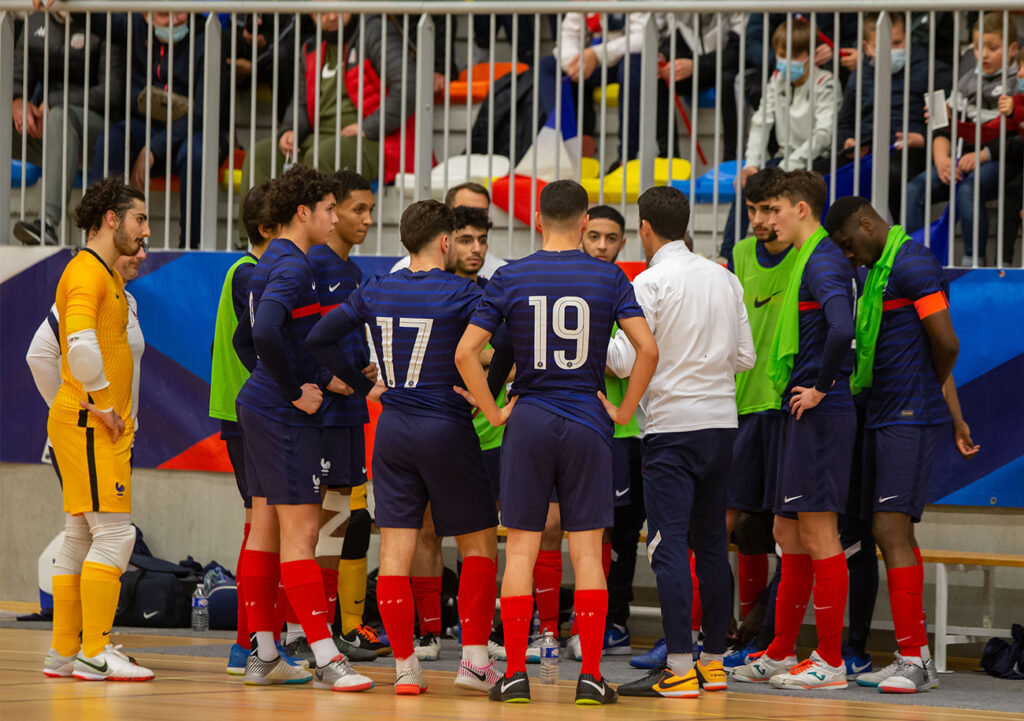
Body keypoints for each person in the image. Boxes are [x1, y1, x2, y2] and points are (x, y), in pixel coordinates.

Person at [455, 179, 659, 706]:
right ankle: (590, 677)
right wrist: (624, 409)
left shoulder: (510, 276)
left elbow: (465, 353)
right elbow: (648, 351)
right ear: (585, 217)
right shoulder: (609, 274)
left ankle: (517, 674)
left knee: (520, 550)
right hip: (590, 420)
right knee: (588, 552)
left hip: (529, 419)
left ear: (538, 220)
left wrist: (494, 409)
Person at [307, 200, 502, 696]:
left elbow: (318, 338)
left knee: (395, 550)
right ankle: (475, 663)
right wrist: (488, 395)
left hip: (392, 428)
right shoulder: (465, 291)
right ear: (444, 241)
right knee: (479, 544)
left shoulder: (374, 288)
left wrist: (362, 385)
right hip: (447, 425)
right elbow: (510, 341)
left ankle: (405, 667)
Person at [825, 196, 981, 693]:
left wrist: (926, 390)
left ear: (867, 224)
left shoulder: (912, 263)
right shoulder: (879, 269)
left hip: (907, 416)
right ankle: (916, 655)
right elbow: (918, 346)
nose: (848, 255)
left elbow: (948, 344)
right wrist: (951, 413)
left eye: (849, 244)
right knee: (886, 531)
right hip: (883, 413)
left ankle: (915, 658)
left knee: (891, 530)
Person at [604, 186, 753, 699]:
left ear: (645, 228)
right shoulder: (725, 277)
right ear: (686, 223)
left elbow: (624, 361)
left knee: (667, 549)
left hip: (672, 430)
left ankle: (681, 668)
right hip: (721, 425)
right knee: (711, 547)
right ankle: (713, 664)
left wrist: (597, 332)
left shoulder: (648, 282)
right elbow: (745, 358)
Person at [232, 164, 373, 692]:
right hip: (282, 414)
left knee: (267, 532)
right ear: (304, 212)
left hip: (264, 407)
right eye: (331, 209)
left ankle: (265, 654)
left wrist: (293, 379)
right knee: (302, 535)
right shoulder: (295, 267)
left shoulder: (275, 261)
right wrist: (293, 388)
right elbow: (264, 331)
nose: (336, 217)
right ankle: (325, 656)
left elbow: (247, 340)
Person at [732, 170, 856, 690]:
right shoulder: (807, 257)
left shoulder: (822, 258)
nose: (764, 220)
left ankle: (830, 660)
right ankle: (782, 650)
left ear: (800, 209)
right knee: (786, 531)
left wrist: (823, 386)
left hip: (819, 410)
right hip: (795, 409)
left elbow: (843, 327)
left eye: (774, 210)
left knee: (820, 533)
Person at [42, 177, 153, 681]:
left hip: (83, 418)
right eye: (140, 219)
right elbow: (80, 348)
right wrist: (105, 404)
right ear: (112, 219)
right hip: (91, 421)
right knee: (115, 534)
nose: (146, 231)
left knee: (80, 536)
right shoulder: (86, 273)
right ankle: (93, 652)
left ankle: (65, 652)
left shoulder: (102, 274)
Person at [210, 182, 303, 675]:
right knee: (262, 528)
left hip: (248, 410)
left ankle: (260, 641)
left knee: (264, 527)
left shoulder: (247, 271)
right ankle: (249, 642)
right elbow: (253, 343)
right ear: (270, 229)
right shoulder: (252, 274)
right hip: (254, 412)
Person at [291, 170, 382, 665]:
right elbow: (289, 341)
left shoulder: (354, 270)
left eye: (371, 209)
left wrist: (361, 371)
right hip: (320, 416)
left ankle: (343, 629)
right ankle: (312, 631)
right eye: (356, 210)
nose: (366, 219)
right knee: (320, 522)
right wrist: (329, 379)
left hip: (350, 413)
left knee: (351, 520)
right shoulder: (310, 265)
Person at [405, 204, 500, 663]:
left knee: (480, 534)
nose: (475, 249)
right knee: (426, 530)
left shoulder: (492, 293)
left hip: (489, 432)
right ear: (445, 241)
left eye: (482, 240)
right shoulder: (415, 289)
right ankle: (427, 631)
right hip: (436, 428)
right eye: (466, 239)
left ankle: (478, 632)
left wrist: (493, 393)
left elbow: (506, 354)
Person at [237, 12, 415, 245]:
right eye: (321, 10)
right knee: (260, 155)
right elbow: (300, 102)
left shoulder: (375, 32)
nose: (330, 16)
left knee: (319, 157)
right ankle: (253, 247)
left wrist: (368, 126)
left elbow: (409, 85)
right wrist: (290, 129)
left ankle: (308, 247)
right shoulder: (311, 46)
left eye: (336, 7)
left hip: (374, 140)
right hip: (319, 137)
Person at [724, 167, 794, 655]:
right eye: (752, 210)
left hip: (790, 408)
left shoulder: (811, 255)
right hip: (742, 406)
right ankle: (706, 631)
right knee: (728, 523)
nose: (759, 219)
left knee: (786, 529)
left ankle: (766, 627)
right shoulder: (741, 254)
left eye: (769, 209)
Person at [573, 204, 646, 659]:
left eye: (612, 238)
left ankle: (612, 622)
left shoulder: (630, 287)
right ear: (581, 235)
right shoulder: (570, 282)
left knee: (620, 530)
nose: (602, 246)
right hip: (580, 427)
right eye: (595, 236)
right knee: (587, 529)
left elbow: (632, 357)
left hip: (626, 429)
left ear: (625, 241)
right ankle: (586, 624)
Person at [92, 12, 225, 249]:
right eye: (164, 15)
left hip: (191, 131)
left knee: (197, 153)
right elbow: (97, 17)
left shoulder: (208, 32)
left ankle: (191, 248)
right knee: (111, 140)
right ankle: (101, 239)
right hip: (143, 127)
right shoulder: (134, 25)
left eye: (180, 11)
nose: (174, 21)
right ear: (146, 13)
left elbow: (204, 112)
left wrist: (153, 149)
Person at [905, 13, 1020, 266]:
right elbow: (943, 126)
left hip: (1001, 159)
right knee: (913, 190)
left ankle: (973, 264)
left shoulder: (1017, 83)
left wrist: (980, 155)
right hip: (961, 159)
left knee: (970, 189)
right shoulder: (967, 80)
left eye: (993, 48)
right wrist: (942, 159)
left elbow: (1015, 137)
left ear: (1013, 49)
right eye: (978, 48)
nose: (984, 55)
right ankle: (918, 263)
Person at [724, 19, 839, 258]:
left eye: (795, 54)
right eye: (782, 54)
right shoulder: (776, 79)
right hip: (782, 158)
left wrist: (787, 167)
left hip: (816, 161)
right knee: (748, 182)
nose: (788, 61)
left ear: (810, 54)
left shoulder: (825, 82)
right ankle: (726, 256)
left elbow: (823, 135)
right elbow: (760, 122)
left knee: (779, 186)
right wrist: (752, 164)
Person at [12, 10, 125, 245]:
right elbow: (20, 77)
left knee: (60, 118)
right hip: (48, 125)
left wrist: (54, 102)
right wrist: (17, 100)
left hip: (95, 130)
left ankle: (48, 224)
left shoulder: (103, 20)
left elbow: (111, 94)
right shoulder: (35, 20)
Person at [836, 13, 930, 221]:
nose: (891, 49)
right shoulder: (858, 75)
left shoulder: (927, 68)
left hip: (910, 151)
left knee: (891, 173)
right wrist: (848, 141)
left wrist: (922, 139)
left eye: (897, 42)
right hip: (866, 152)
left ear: (908, 38)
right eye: (882, 44)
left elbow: (942, 122)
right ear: (867, 47)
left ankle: (902, 246)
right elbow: (844, 123)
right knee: (820, 174)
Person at [392, 182, 506, 278]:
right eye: (463, 211)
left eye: (482, 212)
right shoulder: (405, 269)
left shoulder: (501, 272)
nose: (474, 216)